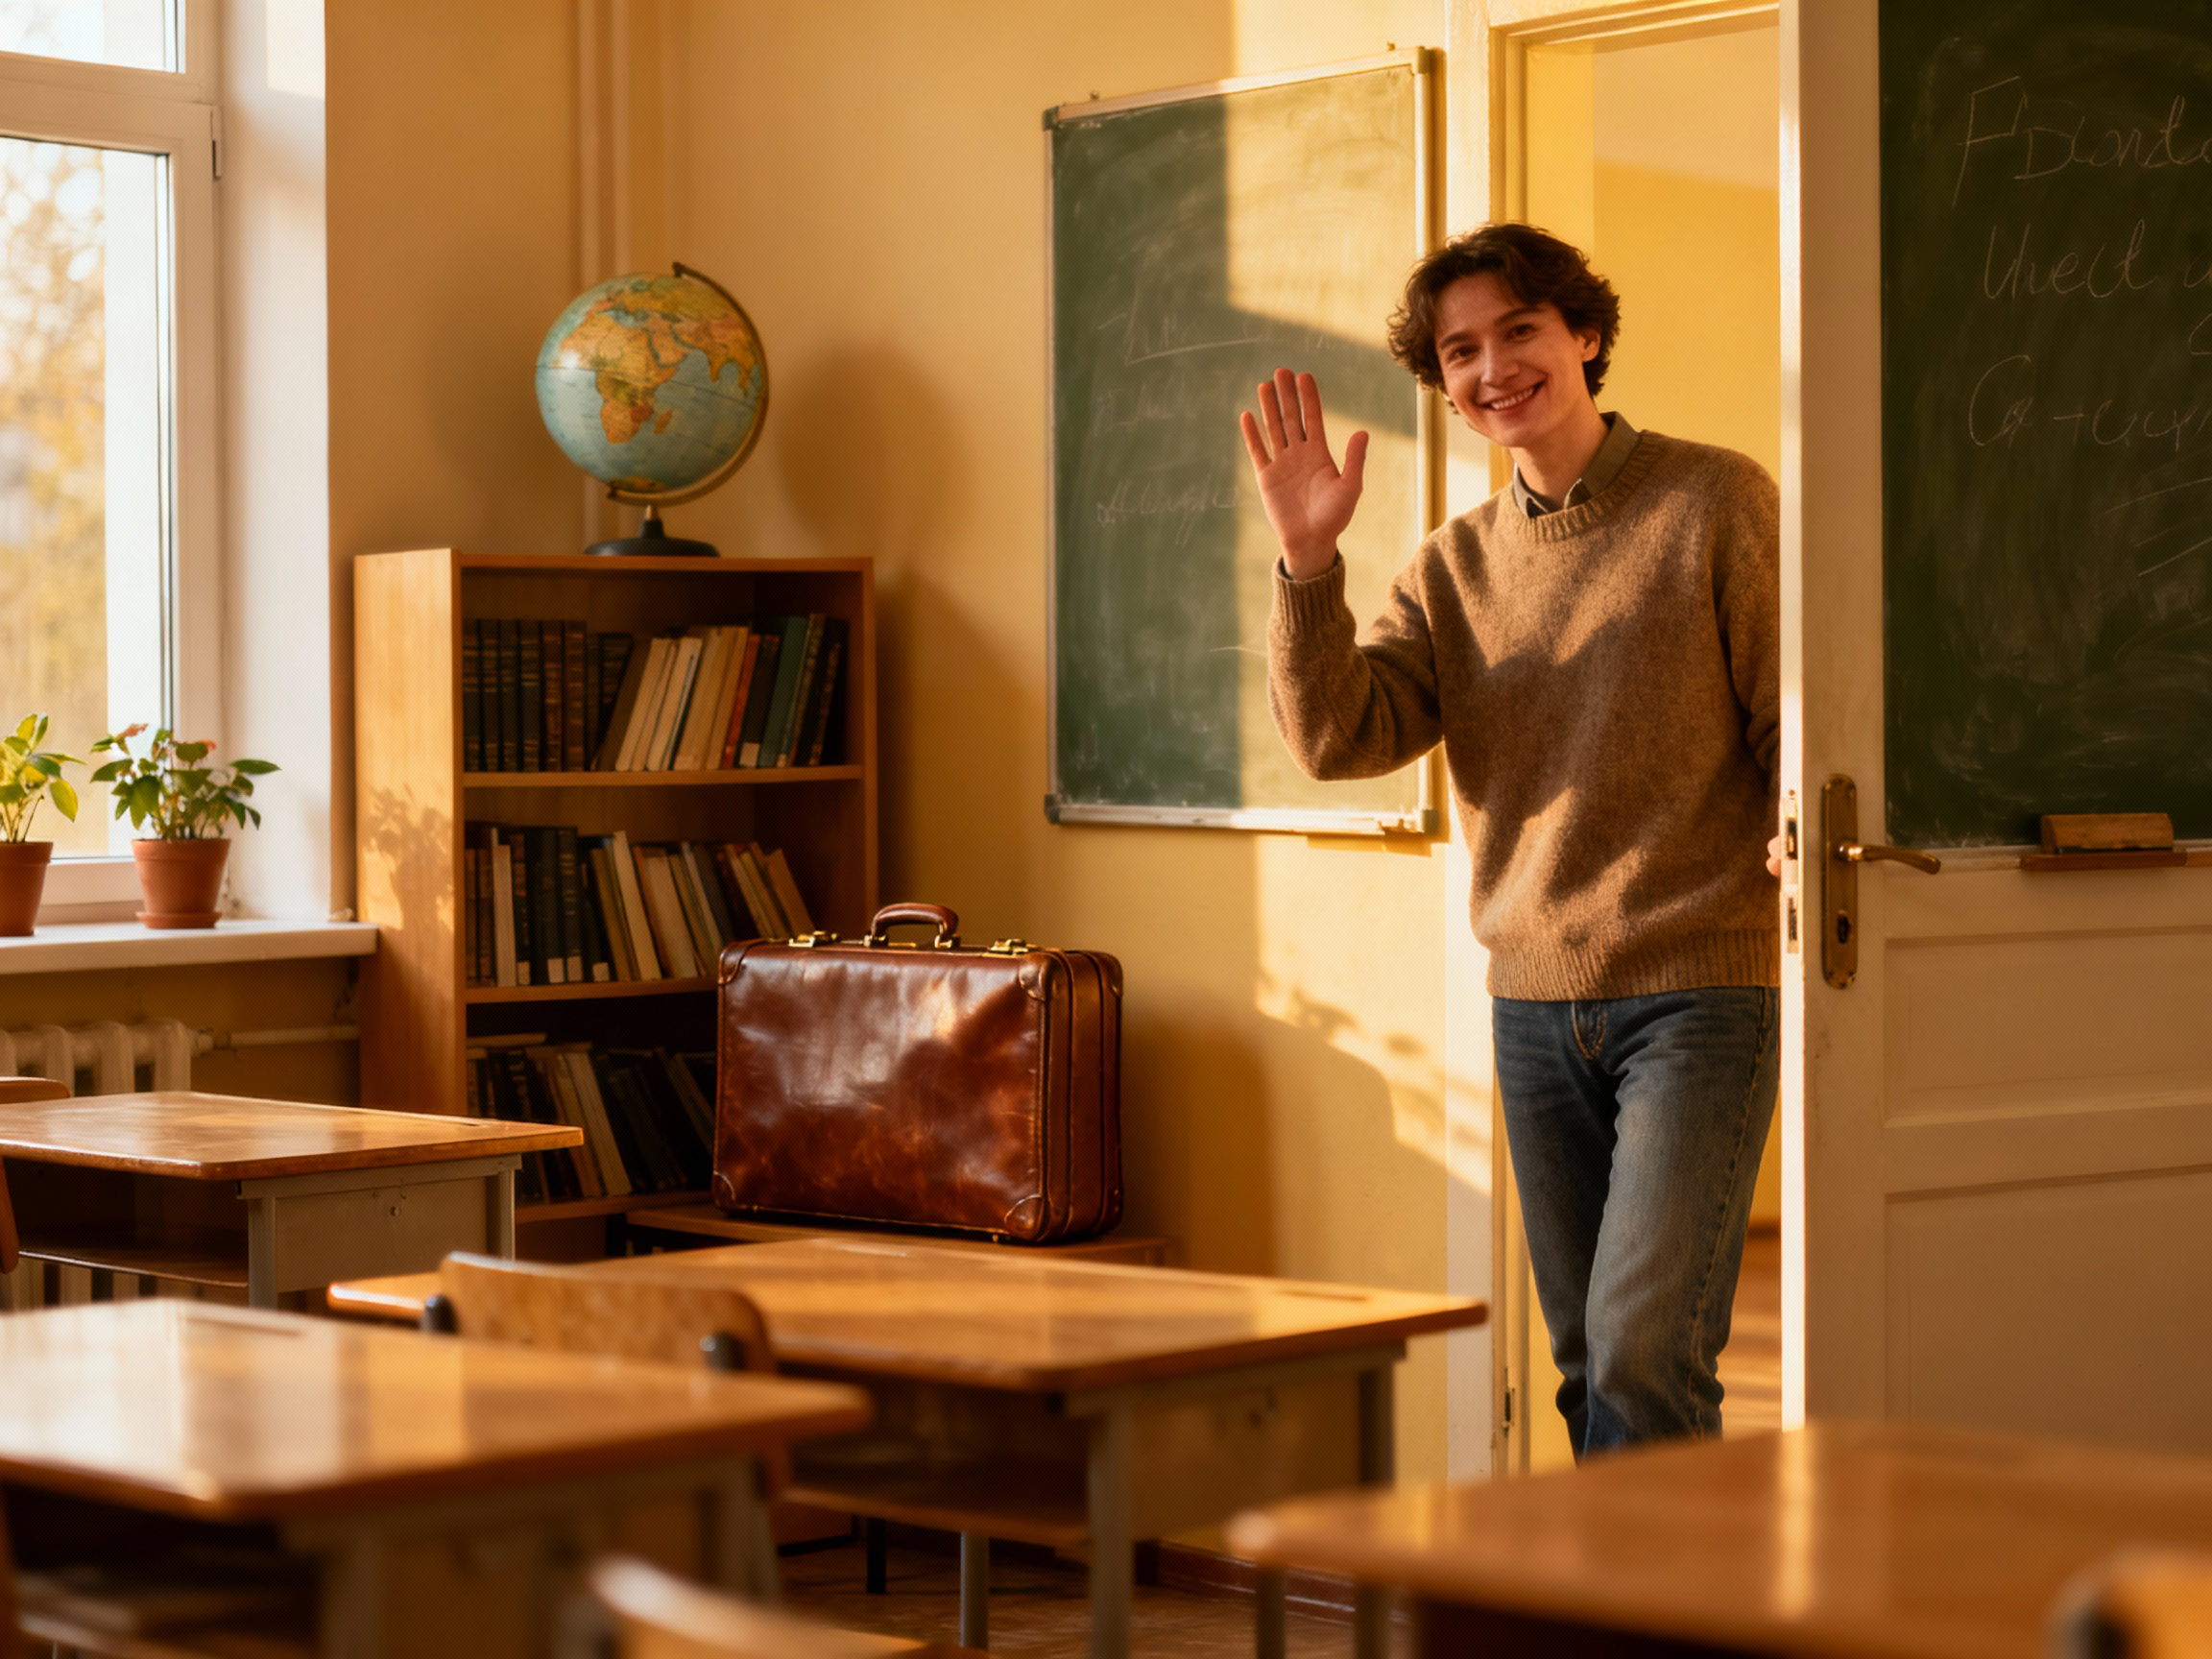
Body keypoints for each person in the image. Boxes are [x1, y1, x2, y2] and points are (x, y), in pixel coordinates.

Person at [1241, 222, 1780, 1457]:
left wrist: (1798, 838)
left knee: (1648, 1350)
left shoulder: (1715, 497)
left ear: (1584, 335)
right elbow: (1336, 736)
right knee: (1589, 1359)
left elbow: (1788, 719)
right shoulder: (1451, 567)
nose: (1494, 369)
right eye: (1460, 351)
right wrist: (1307, 561)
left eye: (1520, 331)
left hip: (1698, 991)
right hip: (1534, 1007)